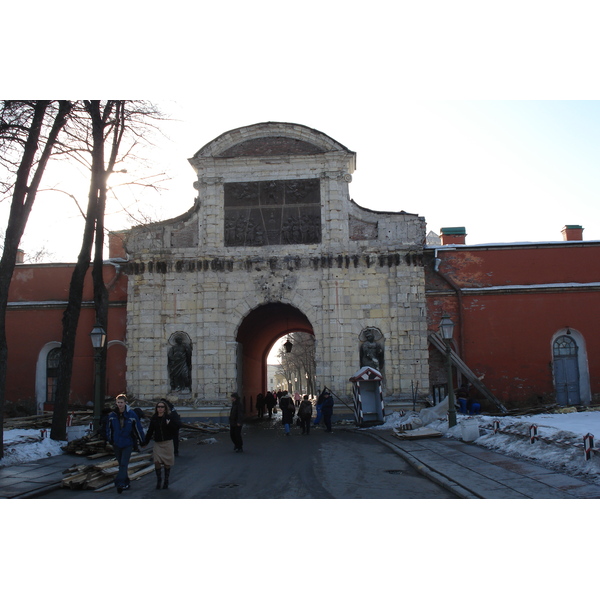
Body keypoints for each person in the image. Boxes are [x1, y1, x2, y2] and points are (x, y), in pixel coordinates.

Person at [106, 394, 145, 494]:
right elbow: (109, 429)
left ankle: (120, 484)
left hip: (127, 443)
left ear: (125, 403)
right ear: (116, 403)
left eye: (121, 402)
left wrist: (142, 441)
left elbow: (138, 428)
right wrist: (110, 440)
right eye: (118, 402)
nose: (120, 404)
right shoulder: (112, 416)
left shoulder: (131, 415)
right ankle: (126, 482)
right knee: (121, 464)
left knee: (123, 464)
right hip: (117, 443)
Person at [142, 400, 178, 489]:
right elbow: (150, 431)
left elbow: (175, 430)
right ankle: (159, 480)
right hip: (158, 443)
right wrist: (145, 442)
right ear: (156, 408)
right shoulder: (154, 418)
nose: (160, 408)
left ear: (165, 409)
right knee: (157, 461)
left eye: (162, 407)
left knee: (167, 462)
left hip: (167, 442)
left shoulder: (169, 417)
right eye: (159, 407)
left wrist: (169, 424)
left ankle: (166, 480)